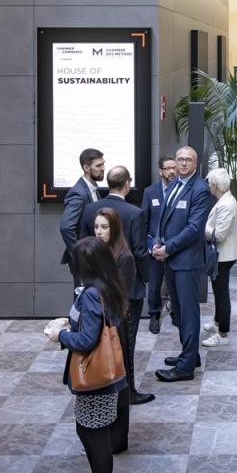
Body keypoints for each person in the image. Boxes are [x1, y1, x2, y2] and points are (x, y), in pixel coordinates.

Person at [52, 237, 129, 473]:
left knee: (95, 437)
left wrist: (60, 335)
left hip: (96, 379)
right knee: (90, 432)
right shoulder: (109, 286)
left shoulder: (90, 293)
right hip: (107, 379)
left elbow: (86, 341)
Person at [148, 146, 213, 382]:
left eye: (188, 160)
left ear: (196, 164)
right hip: (171, 260)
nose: (183, 164)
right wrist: (157, 241)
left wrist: (168, 248)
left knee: (188, 313)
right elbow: (162, 218)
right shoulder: (175, 184)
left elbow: (194, 229)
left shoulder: (200, 189)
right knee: (179, 313)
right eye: (179, 160)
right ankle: (190, 354)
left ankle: (186, 368)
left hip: (186, 262)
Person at [90, 167, 153, 405]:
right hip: (129, 288)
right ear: (127, 183)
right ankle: (128, 392)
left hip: (96, 289)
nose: (100, 231)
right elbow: (138, 250)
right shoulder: (135, 213)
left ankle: (101, 385)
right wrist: (146, 278)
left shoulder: (90, 210)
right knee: (126, 341)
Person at [90, 205, 140, 443]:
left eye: (104, 227)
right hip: (100, 319)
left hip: (115, 322)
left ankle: (119, 438)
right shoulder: (97, 252)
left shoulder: (125, 257)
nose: (99, 232)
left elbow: (118, 294)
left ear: (114, 228)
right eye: (97, 227)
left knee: (118, 379)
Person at [202, 168, 237, 347]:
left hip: (224, 254)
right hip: (223, 252)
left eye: (210, 183)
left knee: (221, 294)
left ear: (216, 185)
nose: (209, 185)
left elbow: (218, 235)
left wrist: (201, 227)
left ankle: (223, 333)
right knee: (219, 292)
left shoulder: (226, 204)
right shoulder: (225, 199)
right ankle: (218, 322)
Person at [144, 156, 179, 335]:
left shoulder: (181, 190)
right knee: (155, 284)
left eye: (174, 168)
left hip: (174, 247)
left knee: (174, 283)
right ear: (160, 171)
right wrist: (151, 246)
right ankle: (154, 315)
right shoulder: (150, 192)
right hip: (155, 248)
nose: (172, 171)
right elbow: (145, 221)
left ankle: (175, 313)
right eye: (168, 168)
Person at [60, 148, 105, 288]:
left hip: (95, 257)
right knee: (82, 301)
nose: (103, 168)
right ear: (86, 168)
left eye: (103, 164)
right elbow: (66, 227)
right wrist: (81, 256)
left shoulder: (93, 189)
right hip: (84, 261)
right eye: (98, 166)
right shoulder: (78, 193)